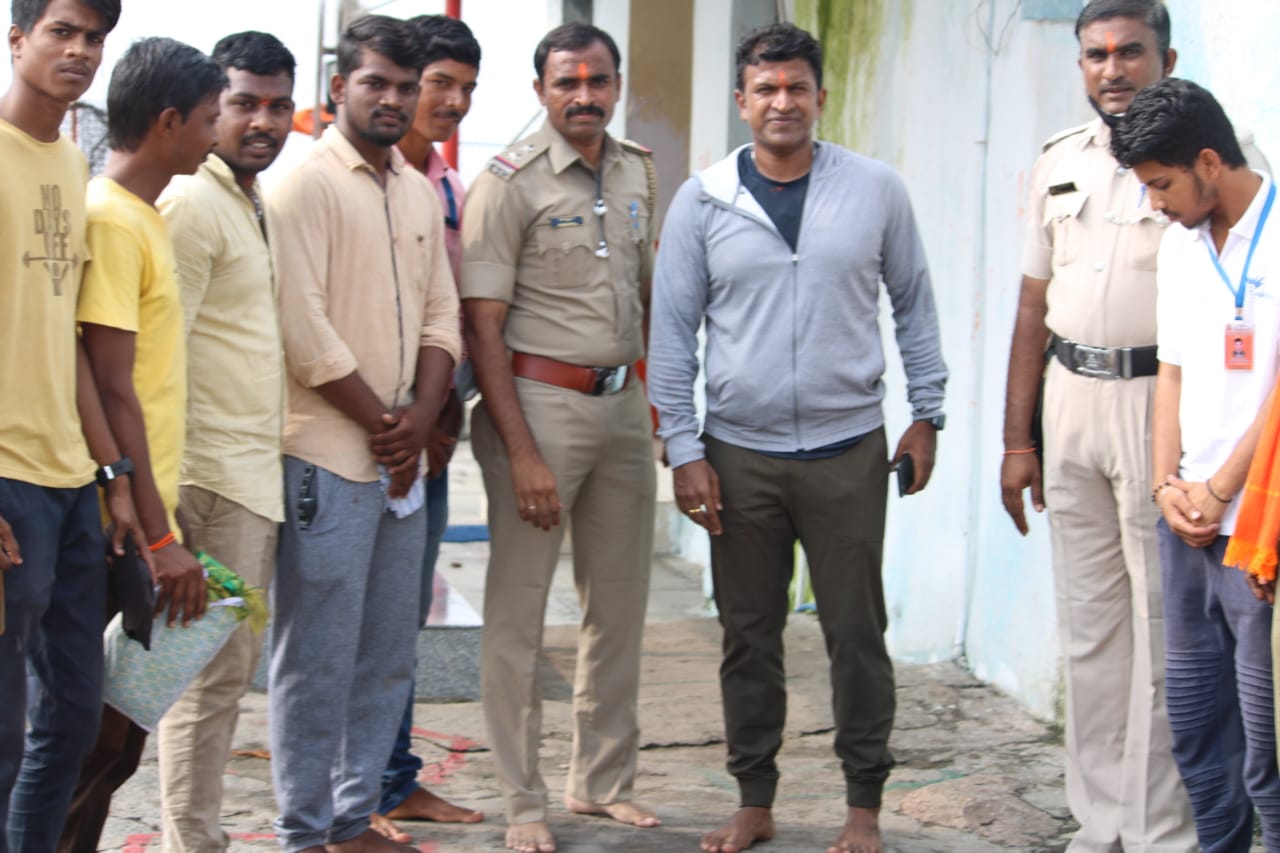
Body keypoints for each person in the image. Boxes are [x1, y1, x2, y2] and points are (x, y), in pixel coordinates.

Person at [647, 22, 947, 853]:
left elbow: (914, 302)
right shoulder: (703, 199)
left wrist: (928, 411)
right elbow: (672, 335)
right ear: (742, 101)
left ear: (820, 96)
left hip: (850, 449)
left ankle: (862, 805)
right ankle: (754, 798)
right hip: (739, 455)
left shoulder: (875, 189)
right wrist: (685, 447)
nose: (783, 103)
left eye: (797, 88)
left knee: (856, 630)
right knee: (750, 633)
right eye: (766, 89)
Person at [999, 3, 1268, 849]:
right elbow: (1032, 303)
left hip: (1163, 403)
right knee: (1091, 627)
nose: (1111, 69)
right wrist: (1018, 438)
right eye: (1095, 55)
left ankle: (1160, 830)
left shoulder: (1219, 154)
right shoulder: (1057, 162)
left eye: (1129, 52)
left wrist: (1199, 472)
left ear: (1167, 56)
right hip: (1072, 397)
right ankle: (1099, 821)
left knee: (1165, 634)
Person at [460, 21, 659, 853]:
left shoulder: (641, 171)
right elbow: (483, 327)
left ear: (616, 85)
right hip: (538, 407)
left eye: (599, 80)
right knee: (518, 612)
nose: (585, 95)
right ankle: (521, 799)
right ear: (541, 90)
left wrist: (653, 408)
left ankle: (601, 780)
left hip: (620, 410)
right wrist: (525, 451)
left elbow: (651, 305)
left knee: (617, 606)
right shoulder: (507, 183)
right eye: (567, 81)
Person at [266, 15, 460, 853]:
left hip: (400, 465)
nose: (391, 98)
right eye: (374, 82)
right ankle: (303, 830)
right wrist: (387, 424)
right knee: (316, 656)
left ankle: (352, 819)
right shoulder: (302, 185)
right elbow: (301, 328)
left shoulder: (416, 189)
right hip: (327, 455)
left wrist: (420, 418)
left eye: (403, 86)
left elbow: (442, 316)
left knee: (386, 652)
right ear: (339, 87)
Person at [56, 36, 224, 853]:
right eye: (209, 115)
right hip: (107, 516)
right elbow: (111, 382)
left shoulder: (141, 216)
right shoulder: (110, 220)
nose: (218, 129)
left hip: (137, 509)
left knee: (117, 738)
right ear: (167, 123)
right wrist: (156, 534)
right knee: (88, 735)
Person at [1111, 76, 1280, 853]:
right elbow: (1170, 372)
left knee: (1265, 748)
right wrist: (1166, 486)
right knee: (1197, 731)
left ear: (1209, 162)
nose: (1155, 203)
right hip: (1187, 521)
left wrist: (1219, 491)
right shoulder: (1181, 247)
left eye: (1162, 185)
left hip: (1255, 527)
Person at [0, 0, 143, 849]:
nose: (80, 51)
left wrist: (115, 475)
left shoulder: (65, 164)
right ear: (16, 39)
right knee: (4, 733)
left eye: (94, 38)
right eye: (61, 31)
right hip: (8, 485)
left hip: (71, 485)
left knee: (75, 717)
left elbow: (70, 345)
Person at [151, 30, 295, 853]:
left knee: (222, 675)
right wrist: (159, 499)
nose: (261, 121)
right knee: (205, 682)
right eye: (243, 103)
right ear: (212, 106)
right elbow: (154, 347)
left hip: (246, 472)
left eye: (277, 105)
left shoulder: (245, 199)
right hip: (206, 476)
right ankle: (190, 843)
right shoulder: (193, 202)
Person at [371, 14, 483, 843]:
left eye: (464, 88)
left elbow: (458, 317)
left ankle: (394, 777)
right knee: (346, 616)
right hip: (357, 431)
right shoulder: (347, 178)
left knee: (403, 612)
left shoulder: (448, 186)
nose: (449, 101)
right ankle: (349, 788)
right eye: (437, 83)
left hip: (432, 435)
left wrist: (444, 418)